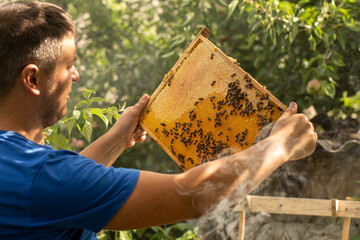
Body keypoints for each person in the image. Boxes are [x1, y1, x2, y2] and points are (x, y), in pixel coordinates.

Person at [0, 1, 317, 239]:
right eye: (68, 65)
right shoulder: (41, 177)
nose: (76, 75)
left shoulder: (20, 169)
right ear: (33, 78)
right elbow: (194, 195)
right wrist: (282, 144)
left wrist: (117, 139)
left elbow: (61, 192)